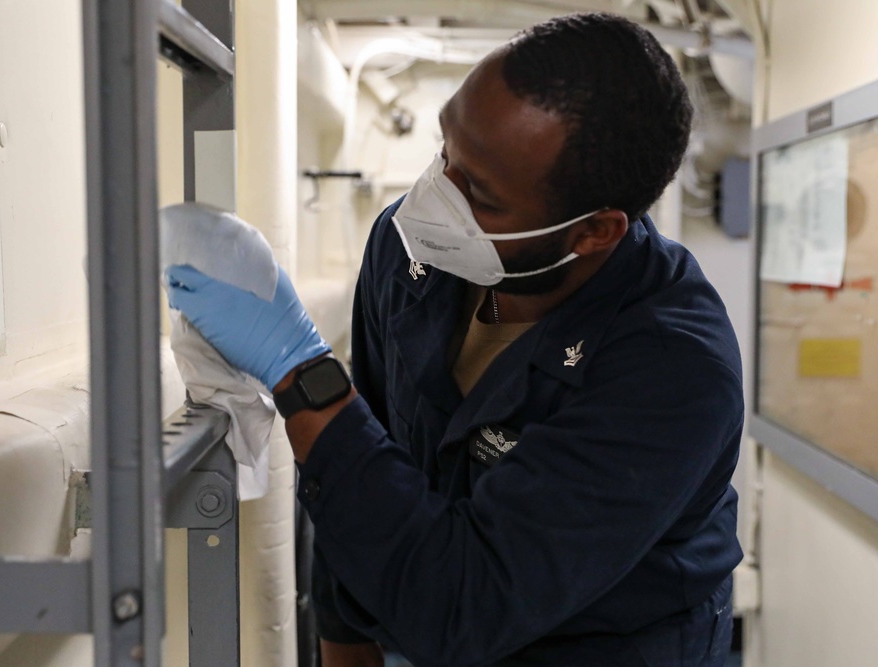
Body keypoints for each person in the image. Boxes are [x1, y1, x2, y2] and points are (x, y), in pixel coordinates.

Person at [165, 12, 743, 667]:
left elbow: (468, 605)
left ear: (593, 232)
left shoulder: (672, 371)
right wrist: (343, 650)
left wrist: (301, 372)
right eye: (446, 149)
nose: (438, 193)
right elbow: (360, 463)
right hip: (434, 606)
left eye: (483, 195)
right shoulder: (411, 249)